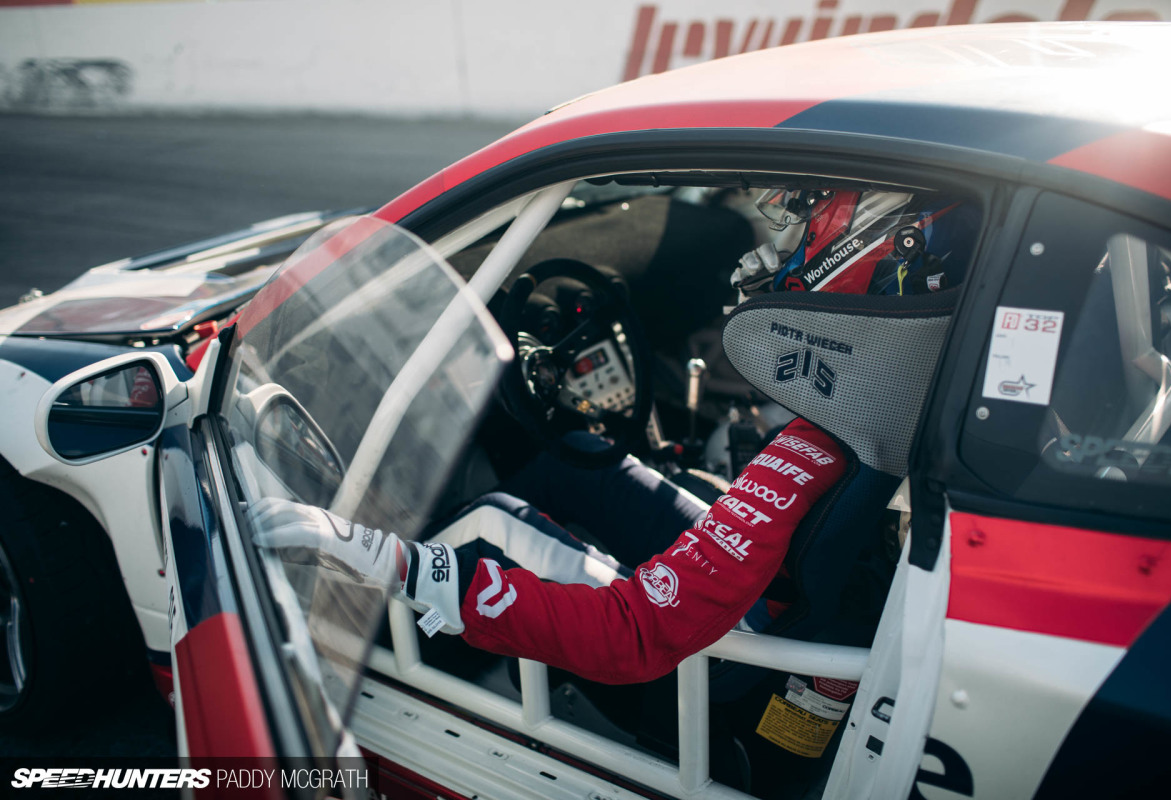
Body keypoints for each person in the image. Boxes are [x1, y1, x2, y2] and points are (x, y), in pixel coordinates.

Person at [252, 187, 972, 685]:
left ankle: (371, 647)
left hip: (733, 663)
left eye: (813, 224)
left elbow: (632, 634)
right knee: (580, 457)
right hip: (785, 603)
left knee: (492, 516)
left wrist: (388, 557)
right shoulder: (888, 395)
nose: (787, 242)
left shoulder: (813, 449)